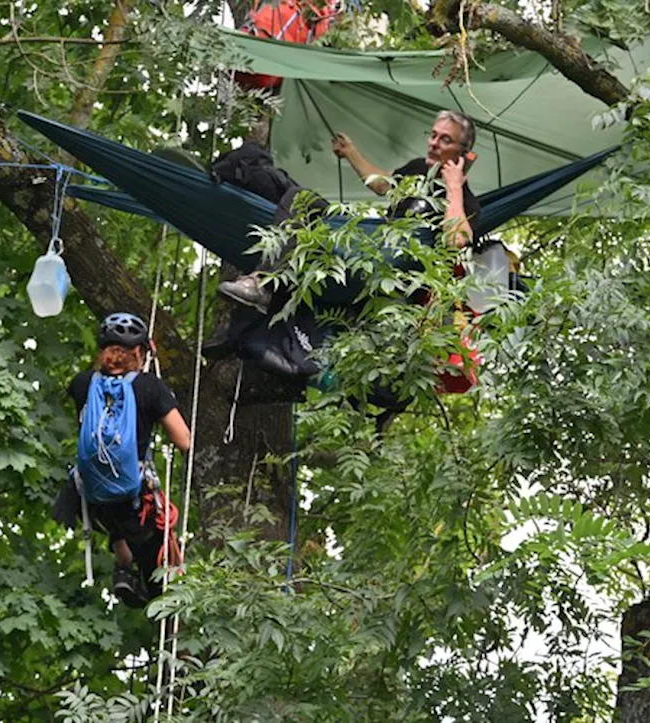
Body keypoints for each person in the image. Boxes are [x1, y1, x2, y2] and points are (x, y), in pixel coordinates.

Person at [217, 110, 481, 311]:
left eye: (445, 140)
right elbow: (381, 184)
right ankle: (262, 283)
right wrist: (351, 152)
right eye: (433, 135)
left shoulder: (465, 202)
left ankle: (266, 287)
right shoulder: (418, 169)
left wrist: (454, 187)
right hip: (361, 244)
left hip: (391, 268)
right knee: (302, 199)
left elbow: (456, 240)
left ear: (464, 153)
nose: (434, 143)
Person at [67, 312, 191, 608]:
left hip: (91, 495)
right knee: (160, 574)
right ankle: (159, 597)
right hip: (135, 496)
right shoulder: (149, 386)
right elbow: (184, 440)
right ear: (139, 352)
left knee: (114, 517)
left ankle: (123, 565)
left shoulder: (82, 384)